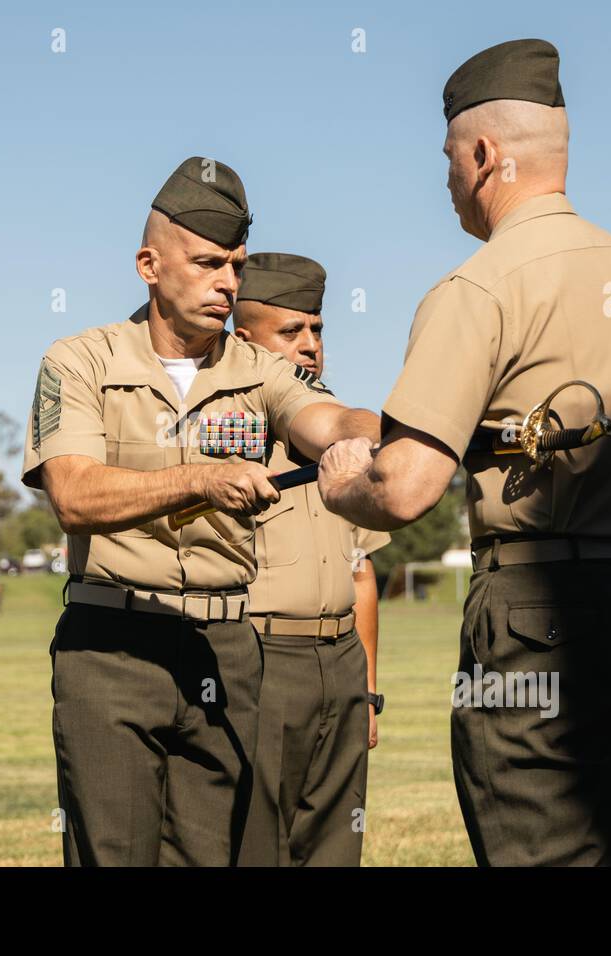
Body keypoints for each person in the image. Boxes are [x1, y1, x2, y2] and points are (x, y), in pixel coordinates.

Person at [318, 39, 611, 866]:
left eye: (447, 159)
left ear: (482, 155)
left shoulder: (477, 287)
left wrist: (342, 488)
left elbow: (405, 489)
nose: (445, 180)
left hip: (534, 616)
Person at [22, 156, 380, 866]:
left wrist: (364, 437)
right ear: (148, 265)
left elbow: (329, 417)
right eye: (209, 263)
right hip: (113, 645)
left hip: (224, 650)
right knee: (115, 853)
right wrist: (199, 480)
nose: (227, 283)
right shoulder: (80, 360)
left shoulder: (259, 371)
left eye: (237, 267)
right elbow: (74, 494)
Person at [228, 253, 391, 866]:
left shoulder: (342, 439)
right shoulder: (224, 439)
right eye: (289, 332)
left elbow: (362, 571)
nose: (309, 346)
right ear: (244, 341)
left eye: (317, 329)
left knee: (334, 849)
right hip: (263, 660)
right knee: (254, 846)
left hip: (340, 663)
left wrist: (368, 691)